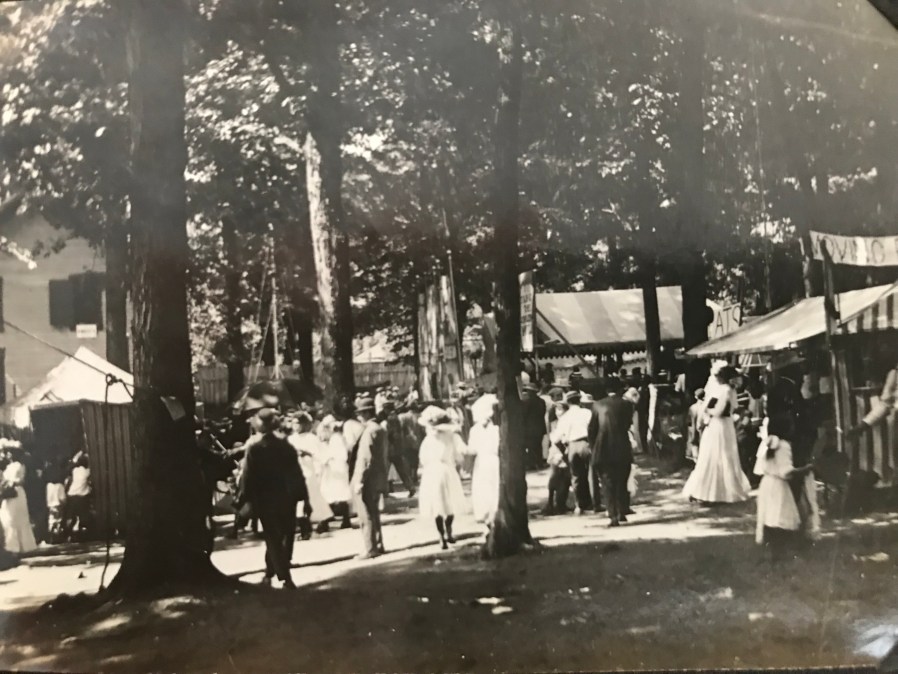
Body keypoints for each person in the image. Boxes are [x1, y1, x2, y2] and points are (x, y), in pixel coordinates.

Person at [237, 408, 306, 588]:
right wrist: (303, 497)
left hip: (265, 499)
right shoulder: (286, 446)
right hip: (286, 497)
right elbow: (297, 474)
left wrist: (243, 498)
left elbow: (248, 477)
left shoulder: (255, 449)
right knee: (283, 534)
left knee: (272, 537)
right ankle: (271, 572)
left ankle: (284, 577)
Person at [682, 365, 751, 504]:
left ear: (721, 377)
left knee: (715, 455)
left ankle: (711, 492)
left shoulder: (725, 390)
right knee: (718, 456)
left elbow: (719, 411)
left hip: (719, 426)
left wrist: (707, 411)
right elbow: (733, 408)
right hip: (724, 426)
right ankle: (712, 491)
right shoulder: (729, 390)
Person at [753, 417, 812, 560]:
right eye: (790, 425)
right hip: (778, 486)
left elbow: (759, 467)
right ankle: (779, 552)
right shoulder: (784, 445)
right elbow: (785, 471)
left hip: (766, 484)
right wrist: (806, 469)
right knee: (780, 517)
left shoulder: (766, 442)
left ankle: (773, 551)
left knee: (769, 517)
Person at [418, 407, 467, 549]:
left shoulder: (427, 440)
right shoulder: (451, 437)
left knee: (437, 504)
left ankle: (441, 536)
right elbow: (459, 457)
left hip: (432, 472)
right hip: (447, 470)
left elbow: (423, 458)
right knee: (450, 502)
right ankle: (448, 531)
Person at [589, 383, 634, 527]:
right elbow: (628, 424)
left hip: (603, 449)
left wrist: (593, 446)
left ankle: (613, 515)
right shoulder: (627, 404)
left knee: (607, 483)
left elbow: (592, 429)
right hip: (622, 447)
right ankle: (622, 511)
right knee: (621, 480)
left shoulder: (597, 405)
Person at [352, 397, 390, 559]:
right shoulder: (379, 428)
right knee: (374, 513)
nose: (359, 417)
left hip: (368, 478)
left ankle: (370, 547)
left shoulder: (369, 431)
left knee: (365, 514)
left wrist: (359, 480)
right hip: (377, 476)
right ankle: (378, 543)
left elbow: (365, 458)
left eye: (361, 413)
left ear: (367, 413)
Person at [551, 390, 596, 514]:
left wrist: (564, 450)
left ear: (568, 402)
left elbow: (556, 439)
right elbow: (593, 429)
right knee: (591, 474)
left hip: (571, 445)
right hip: (586, 443)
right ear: (579, 400)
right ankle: (594, 503)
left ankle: (579, 505)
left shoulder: (565, 417)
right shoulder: (587, 413)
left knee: (576, 476)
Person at [287, 413, 333, 527]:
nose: (295, 426)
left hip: (309, 469)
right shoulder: (290, 439)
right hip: (295, 470)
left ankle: (323, 517)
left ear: (303, 424)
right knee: (298, 496)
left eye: (297, 423)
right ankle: (301, 519)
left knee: (312, 494)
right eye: (293, 423)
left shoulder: (311, 438)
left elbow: (320, 454)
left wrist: (306, 453)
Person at [313, 415, 352, 533]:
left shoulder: (337, 439)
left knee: (338, 494)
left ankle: (332, 521)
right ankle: (332, 520)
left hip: (337, 470)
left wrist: (327, 459)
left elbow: (341, 455)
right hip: (331, 471)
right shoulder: (330, 440)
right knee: (329, 494)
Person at [467, 394, 500, 533]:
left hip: (484, 460)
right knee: (492, 487)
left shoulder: (475, 430)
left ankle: (489, 514)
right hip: (491, 459)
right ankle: (492, 513)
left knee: (487, 487)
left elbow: (472, 449)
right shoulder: (496, 429)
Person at [0, 446, 37, 555]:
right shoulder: (8, 467)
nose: (8, 455)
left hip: (16, 492)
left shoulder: (19, 466)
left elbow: (19, 480)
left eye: (10, 453)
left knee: (16, 517)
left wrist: (9, 482)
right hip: (10, 492)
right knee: (8, 517)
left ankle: (20, 546)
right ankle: (12, 546)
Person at [381, 400, 415, 496]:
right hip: (397, 448)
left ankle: (384, 491)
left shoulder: (390, 418)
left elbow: (392, 434)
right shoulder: (395, 417)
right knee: (401, 470)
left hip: (391, 448)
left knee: (385, 470)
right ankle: (410, 487)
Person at [64, 451, 93, 540]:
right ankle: (82, 534)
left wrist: (78, 454)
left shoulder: (75, 470)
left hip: (71, 495)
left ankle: (67, 533)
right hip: (81, 497)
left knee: (71, 515)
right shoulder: (87, 472)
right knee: (83, 516)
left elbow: (72, 463)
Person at [521, 383, 548, 470]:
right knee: (538, 446)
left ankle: (531, 464)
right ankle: (539, 463)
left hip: (529, 428)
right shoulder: (542, 401)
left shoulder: (526, 402)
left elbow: (524, 415)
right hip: (539, 428)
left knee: (530, 446)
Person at [686, 388, 706, 463]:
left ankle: (696, 462)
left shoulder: (692, 407)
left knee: (694, 444)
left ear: (696, 397)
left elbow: (688, 422)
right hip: (703, 430)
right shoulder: (705, 407)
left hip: (693, 430)